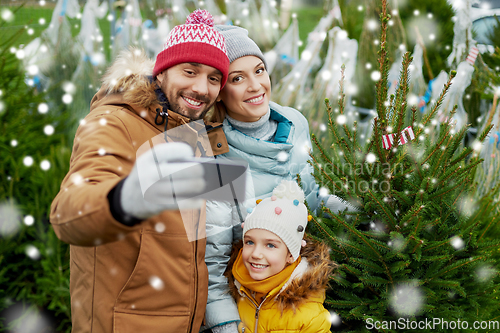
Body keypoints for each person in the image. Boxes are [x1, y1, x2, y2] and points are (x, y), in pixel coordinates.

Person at [50, 9, 230, 333]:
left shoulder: (199, 133)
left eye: (214, 78)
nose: (202, 88)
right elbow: (67, 212)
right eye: (190, 71)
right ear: (161, 73)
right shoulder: (114, 122)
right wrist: (122, 202)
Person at [203, 25, 352, 332]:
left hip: (300, 288)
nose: (256, 86)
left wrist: (361, 213)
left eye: (259, 70)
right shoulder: (214, 153)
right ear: (219, 91)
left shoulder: (294, 122)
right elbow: (212, 263)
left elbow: (310, 192)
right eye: (237, 78)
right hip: (250, 301)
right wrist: (227, 326)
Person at [228, 180, 335, 332]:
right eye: (250, 242)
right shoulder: (237, 288)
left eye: (270, 245)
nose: (256, 254)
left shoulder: (309, 316)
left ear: (291, 255)